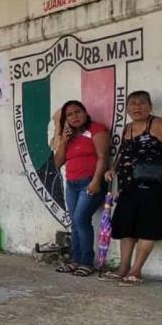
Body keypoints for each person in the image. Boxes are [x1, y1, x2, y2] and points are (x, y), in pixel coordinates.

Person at [103, 91, 162, 285]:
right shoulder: (127, 128)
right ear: (126, 109)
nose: (137, 107)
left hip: (153, 189)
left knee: (147, 228)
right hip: (128, 187)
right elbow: (123, 154)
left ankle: (136, 270)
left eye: (142, 103)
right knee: (126, 228)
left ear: (150, 106)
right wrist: (113, 169)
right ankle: (123, 267)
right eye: (132, 104)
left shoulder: (156, 124)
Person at [52, 100, 110, 275]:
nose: (74, 117)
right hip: (71, 183)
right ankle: (75, 260)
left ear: (85, 113)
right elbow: (58, 162)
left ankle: (86, 262)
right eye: (69, 115)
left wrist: (96, 181)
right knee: (75, 222)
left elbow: (102, 157)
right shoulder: (69, 137)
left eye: (78, 112)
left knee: (81, 220)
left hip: (90, 181)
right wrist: (63, 140)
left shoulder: (96, 130)